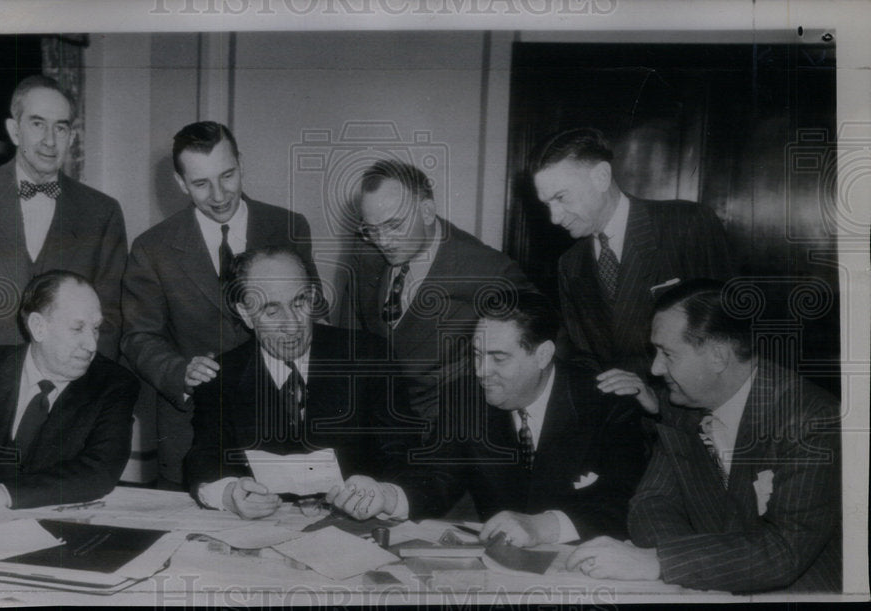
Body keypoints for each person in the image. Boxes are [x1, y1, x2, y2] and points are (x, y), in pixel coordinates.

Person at [566, 279, 841, 593]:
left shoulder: (812, 420)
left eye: (667, 354)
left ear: (718, 357)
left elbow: (785, 550)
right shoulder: (684, 409)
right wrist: (691, 565)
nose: (655, 369)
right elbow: (651, 504)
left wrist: (659, 562)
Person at [327, 290, 647, 546]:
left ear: (543, 354)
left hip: (585, 566)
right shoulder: (464, 397)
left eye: (499, 358)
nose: (481, 372)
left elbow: (625, 502)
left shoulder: (607, 403)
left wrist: (541, 527)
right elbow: (437, 477)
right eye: (477, 355)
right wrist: (386, 495)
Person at [121, 121, 319, 489]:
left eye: (227, 175)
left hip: (283, 419)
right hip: (193, 427)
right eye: (200, 184)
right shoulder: (153, 248)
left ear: (241, 163)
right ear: (181, 184)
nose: (218, 195)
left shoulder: (288, 226)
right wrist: (179, 371)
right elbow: (137, 336)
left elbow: (311, 314)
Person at [0, 75, 128, 369]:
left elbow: (111, 319)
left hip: (68, 396)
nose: (50, 141)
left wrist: (88, 398)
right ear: (14, 131)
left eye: (61, 127)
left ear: (72, 137)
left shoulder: (103, 212)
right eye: (37, 124)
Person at [0, 270, 138, 537]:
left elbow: (99, 470)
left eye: (95, 328)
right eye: (77, 328)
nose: (91, 344)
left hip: (45, 541)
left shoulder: (113, 384)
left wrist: (6, 494)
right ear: (38, 327)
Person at [183, 247, 399, 519]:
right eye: (272, 311)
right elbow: (203, 459)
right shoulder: (222, 377)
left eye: (299, 303)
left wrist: (383, 493)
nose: (293, 326)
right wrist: (228, 493)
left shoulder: (369, 356)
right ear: (246, 313)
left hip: (358, 525)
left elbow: (401, 453)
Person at [340, 159, 533, 427]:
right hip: (374, 421)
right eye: (371, 229)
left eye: (394, 225)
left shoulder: (487, 269)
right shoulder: (365, 254)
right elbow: (348, 340)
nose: (382, 241)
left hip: (449, 429)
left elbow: (539, 341)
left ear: (428, 211)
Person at [530, 128, 733, 380]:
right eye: (547, 204)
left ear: (602, 177)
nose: (555, 217)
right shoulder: (570, 264)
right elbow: (585, 356)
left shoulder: (687, 224)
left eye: (561, 197)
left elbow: (729, 333)